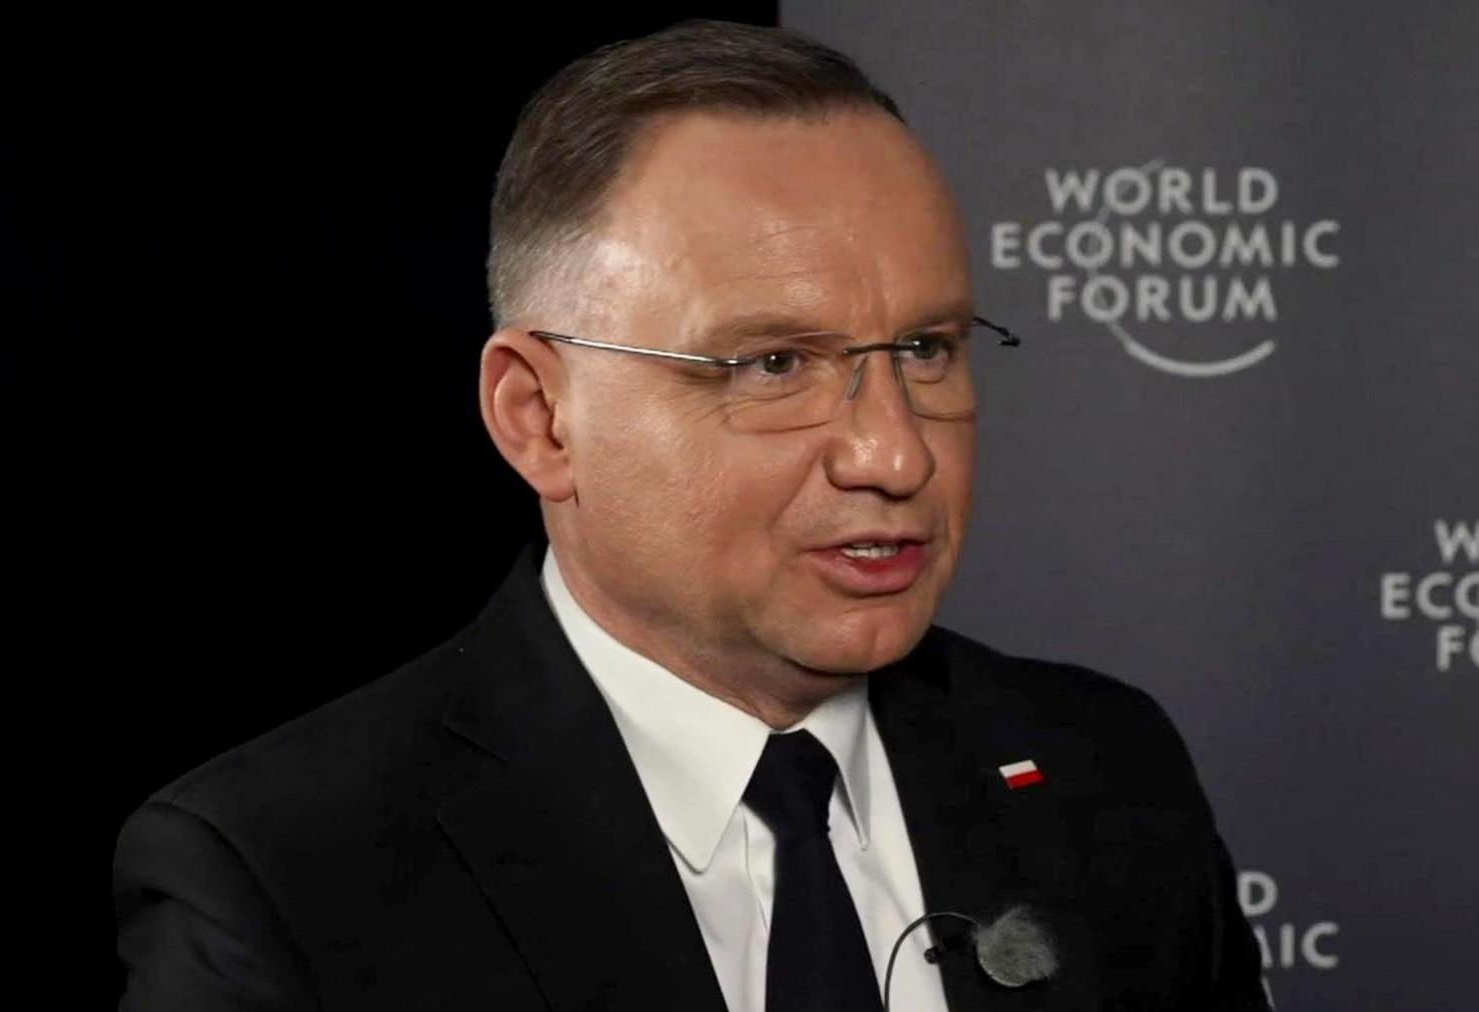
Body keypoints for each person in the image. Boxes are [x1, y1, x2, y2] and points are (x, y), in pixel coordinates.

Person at [112, 20, 1267, 1011]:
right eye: (773, 363)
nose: (894, 450)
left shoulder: (1110, 775)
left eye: (927, 348)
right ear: (541, 418)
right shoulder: (284, 874)